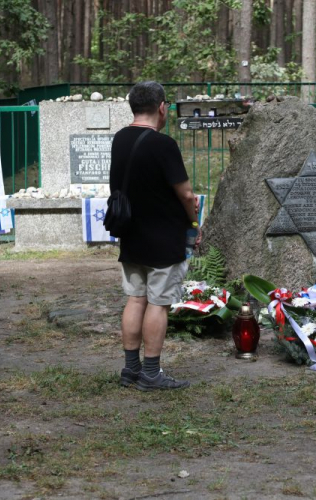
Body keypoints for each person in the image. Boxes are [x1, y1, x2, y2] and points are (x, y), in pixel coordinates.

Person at [109, 81, 200, 391]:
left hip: (131, 235)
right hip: (164, 237)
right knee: (158, 304)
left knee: (136, 298)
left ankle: (131, 369)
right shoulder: (164, 144)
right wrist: (194, 221)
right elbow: (186, 193)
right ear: (162, 107)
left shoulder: (120, 139)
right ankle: (151, 373)